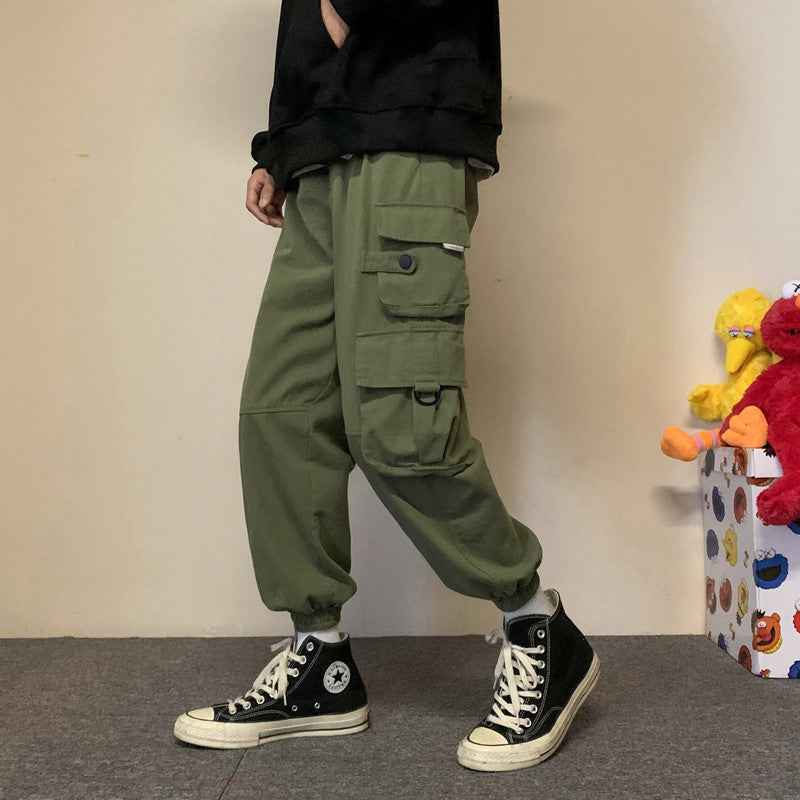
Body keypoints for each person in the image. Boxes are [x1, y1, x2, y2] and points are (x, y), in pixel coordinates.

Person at [173, 0, 599, 771]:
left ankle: (538, 623)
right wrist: (284, 145)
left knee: (399, 421)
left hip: (412, 128)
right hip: (321, 154)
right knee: (283, 416)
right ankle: (320, 663)